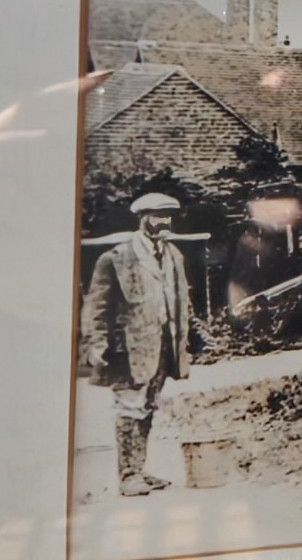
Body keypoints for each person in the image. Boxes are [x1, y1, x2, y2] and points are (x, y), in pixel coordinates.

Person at [82, 192, 192, 498]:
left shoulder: (173, 255)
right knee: (128, 407)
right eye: (158, 216)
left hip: (163, 345)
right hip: (128, 347)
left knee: (148, 405)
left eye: (169, 216)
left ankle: (139, 470)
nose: (165, 222)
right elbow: (97, 306)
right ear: (143, 218)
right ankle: (127, 475)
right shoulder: (116, 258)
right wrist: (96, 343)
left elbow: (181, 300)